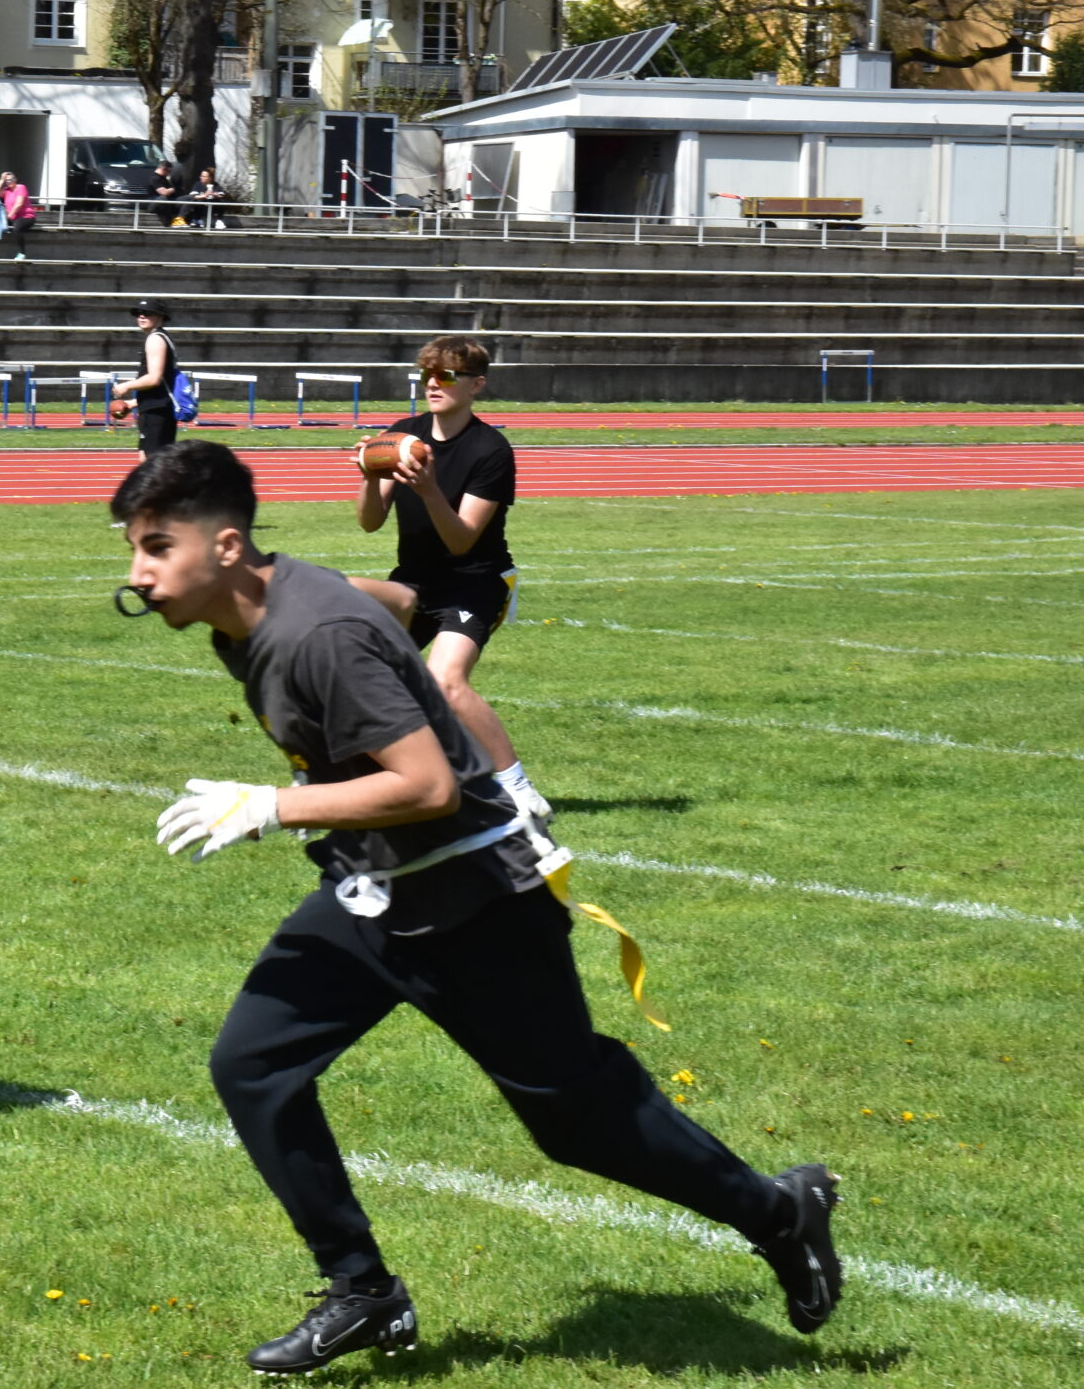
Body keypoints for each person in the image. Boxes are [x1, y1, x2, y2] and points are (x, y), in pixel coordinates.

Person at [111, 440, 842, 1375]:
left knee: (576, 1120)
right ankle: (363, 1289)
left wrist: (271, 806)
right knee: (253, 1065)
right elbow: (393, 601)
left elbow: (427, 787)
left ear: (223, 545)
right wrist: (407, 622)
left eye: (154, 547)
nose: (139, 573)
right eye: (134, 549)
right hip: (375, 891)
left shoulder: (313, 634)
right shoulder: (254, 610)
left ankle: (780, 1211)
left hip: (474, 902)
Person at [355, 335, 548, 821]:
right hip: (413, 582)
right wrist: (367, 472)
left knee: (445, 681)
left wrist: (429, 488)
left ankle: (520, 791)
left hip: (475, 581)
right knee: (354, 661)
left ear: (476, 384)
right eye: (427, 374)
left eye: (446, 376)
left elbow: (461, 539)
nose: (433, 384)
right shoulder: (402, 433)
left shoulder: (491, 449)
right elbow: (369, 522)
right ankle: (346, 784)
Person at [107, 298, 180, 454]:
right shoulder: (162, 337)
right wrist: (134, 403)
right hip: (157, 408)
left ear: (161, 317)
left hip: (157, 412)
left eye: (147, 313)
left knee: (153, 463)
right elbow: (163, 382)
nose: (141, 316)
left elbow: (154, 378)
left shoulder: (155, 339)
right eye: (139, 313)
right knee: (151, 460)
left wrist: (125, 386)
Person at [0, 170, 37, 259]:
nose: (9, 182)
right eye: (7, 180)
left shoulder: (21, 187)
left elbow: (19, 204)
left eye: (10, 179)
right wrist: (1, 180)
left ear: (15, 179)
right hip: (13, 217)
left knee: (17, 228)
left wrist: (10, 214)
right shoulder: (7, 191)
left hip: (26, 216)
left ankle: (22, 253)